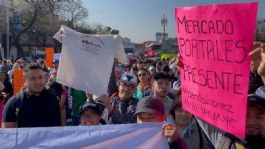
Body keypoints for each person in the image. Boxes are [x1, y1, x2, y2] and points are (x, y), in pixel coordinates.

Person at [2, 63, 61, 128]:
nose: (38, 82)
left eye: (40, 77)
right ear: (25, 80)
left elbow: (58, 131)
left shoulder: (53, 99)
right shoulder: (14, 103)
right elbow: (8, 134)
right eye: (33, 78)